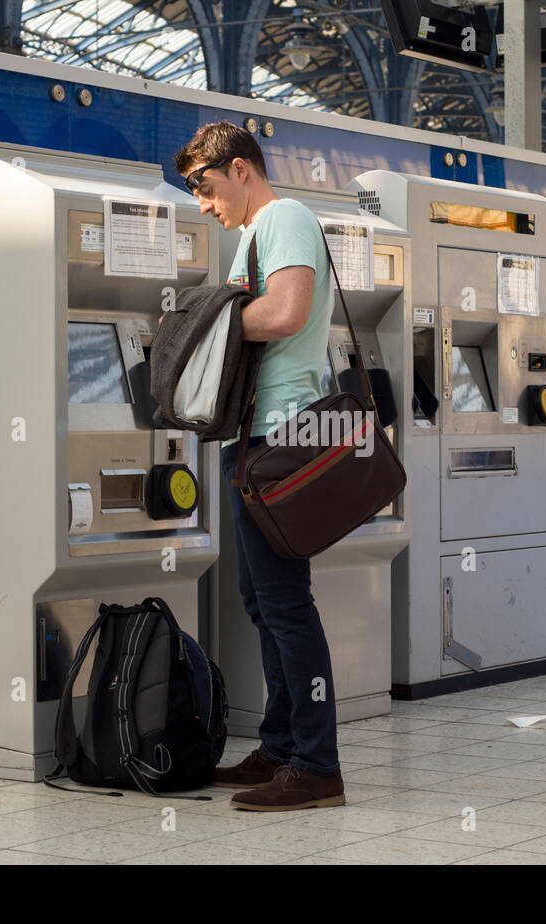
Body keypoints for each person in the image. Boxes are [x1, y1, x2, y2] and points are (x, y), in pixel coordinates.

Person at [173, 121, 344, 811]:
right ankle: (280, 746)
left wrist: (204, 321)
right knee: (261, 601)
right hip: (252, 441)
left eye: (210, 190)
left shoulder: (286, 218)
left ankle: (316, 763)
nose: (207, 207)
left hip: (281, 441)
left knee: (286, 603)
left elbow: (286, 310)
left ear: (241, 169)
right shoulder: (253, 233)